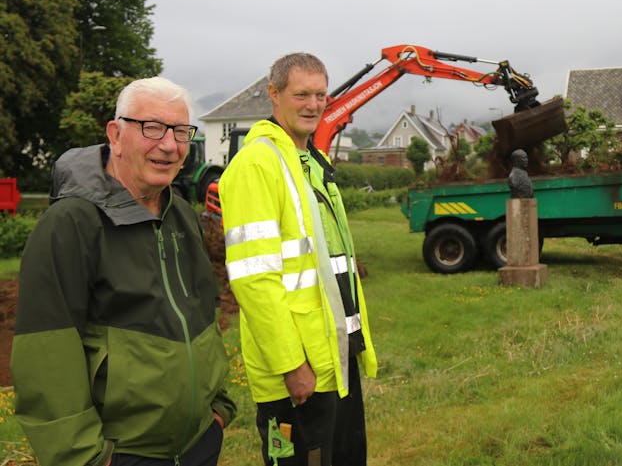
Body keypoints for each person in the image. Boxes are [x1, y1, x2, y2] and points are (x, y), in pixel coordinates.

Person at [12, 77, 236, 466]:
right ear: (115, 135)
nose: (169, 145)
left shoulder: (179, 212)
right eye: (152, 127)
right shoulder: (70, 224)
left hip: (200, 441)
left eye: (181, 131)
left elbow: (203, 311)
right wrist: (86, 458)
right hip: (124, 455)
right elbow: (45, 354)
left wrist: (217, 408)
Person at [219, 53, 377, 466]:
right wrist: (292, 365)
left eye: (321, 94)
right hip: (297, 373)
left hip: (334, 359)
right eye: (301, 94)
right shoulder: (256, 164)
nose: (313, 104)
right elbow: (254, 279)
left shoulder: (311, 162)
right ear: (274, 95)